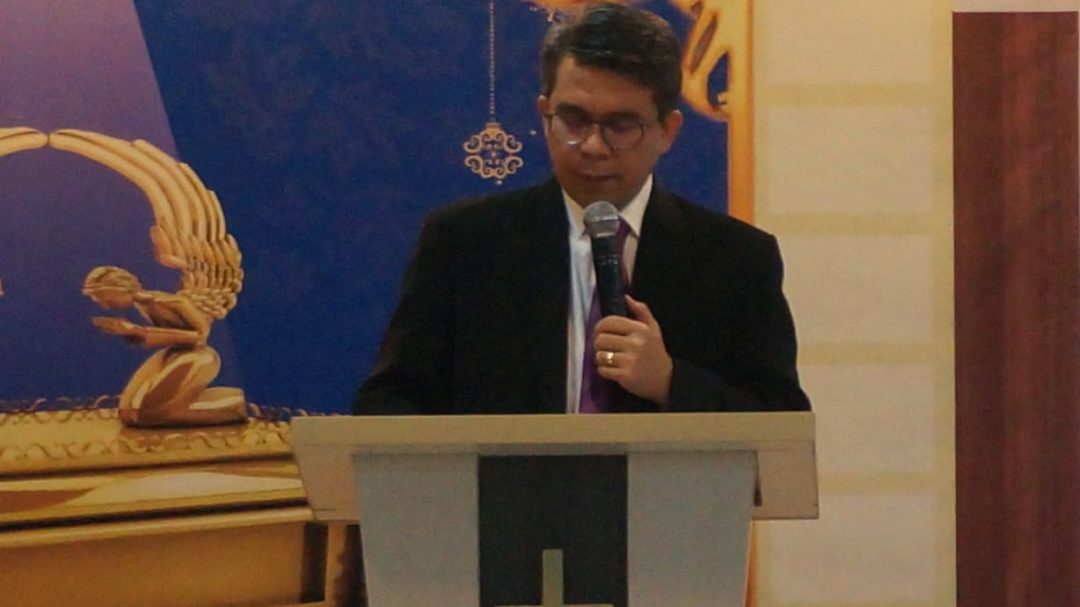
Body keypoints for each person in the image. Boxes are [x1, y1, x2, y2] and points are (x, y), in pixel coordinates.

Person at [353, 2, 810, 415]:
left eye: (621, 125)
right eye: (573, 121)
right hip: (507, 485)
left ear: (668, 131)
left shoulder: (736, 259)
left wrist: (671, 382)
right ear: (544, 113)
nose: (593, 146)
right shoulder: (465, 243)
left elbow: (780, 419)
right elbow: (388, 402)